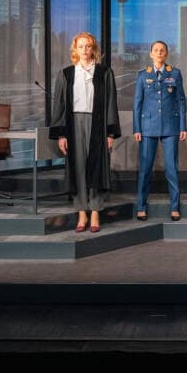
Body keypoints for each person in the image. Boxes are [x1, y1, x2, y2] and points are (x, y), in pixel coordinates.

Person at [51, 32, 120, 232]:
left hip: (97, 123)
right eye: (80, 46)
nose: (84, 50)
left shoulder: (104, 73)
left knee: (96, 167)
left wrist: (110, 133)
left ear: (93, 49)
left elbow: (111, 103)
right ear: (75, 49)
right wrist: (61, 134)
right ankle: (81, 212)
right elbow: (59, 106)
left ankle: (95, 211)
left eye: (88, 46)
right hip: (74, 123)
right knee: (78, 168)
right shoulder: (66, 74)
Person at [133, 41, 187, 222]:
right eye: (156, 50)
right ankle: (141, 206)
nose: (159, 53)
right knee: (145, 169)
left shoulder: (175, 73)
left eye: (162, 50)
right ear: (151, 54)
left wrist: (183, 126)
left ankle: (175, 207)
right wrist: (137, 128)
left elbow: (181, 101)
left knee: (171, 168)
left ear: (166, 54)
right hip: (148, 127)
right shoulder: (143, 75)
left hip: (170, 127)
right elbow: (137, 104)